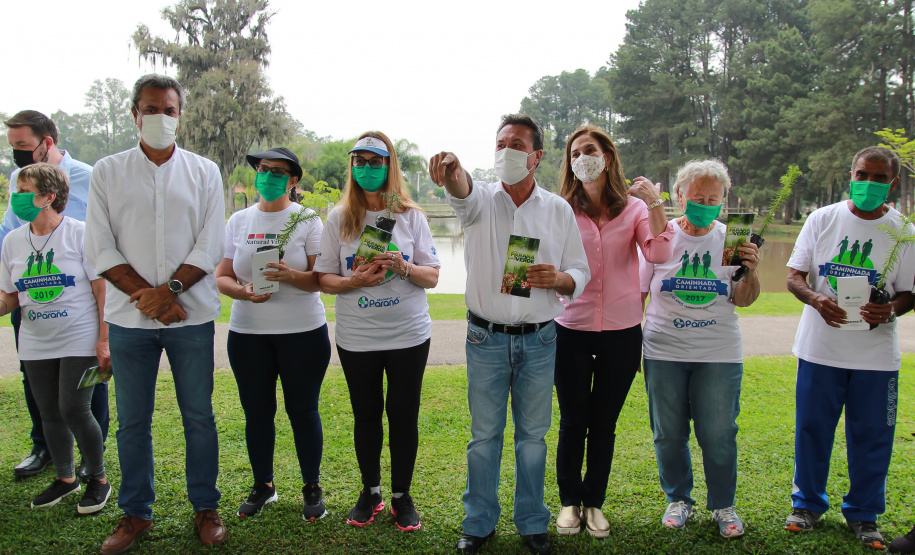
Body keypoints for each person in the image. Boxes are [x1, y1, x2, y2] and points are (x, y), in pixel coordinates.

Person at [429, 114, 590, 555]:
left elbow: (580, 269)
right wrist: (452, 170)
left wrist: (557, 278)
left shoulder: (557, 209)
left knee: (533, 438)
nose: (506, 151)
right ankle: (478, 523)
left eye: (516, 144)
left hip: (539, 339)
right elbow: (460, 189)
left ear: (536, 156)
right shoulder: (481, 201)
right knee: (484, 437)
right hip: (486, 339)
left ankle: (532, 521)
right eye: (500, 143)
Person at [85, 74, 226, 554]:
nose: (161, 118)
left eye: (169, 110)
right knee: (132, 421)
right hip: (130, 323)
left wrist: (169, 292)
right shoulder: (108, 171)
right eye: (151, 109)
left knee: (199, 416)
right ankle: (135, 513)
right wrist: (151, 298)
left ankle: (206, 507)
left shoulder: (205, 171)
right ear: (134, 114)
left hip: (191, 316)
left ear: (180, 115)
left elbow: (211, 242)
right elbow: (99, 246)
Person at [784, 146, 915, 550]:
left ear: (892, 183)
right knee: (812, 429)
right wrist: (815, 299)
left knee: (873, 434)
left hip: (875, 357)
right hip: (820, 349)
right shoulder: (822, 219)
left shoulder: (903, 230)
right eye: (862, 175)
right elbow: (794, 275)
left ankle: (864, 514)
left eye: (879, 178)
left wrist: (889, 310)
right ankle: (806, 505)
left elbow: (909, 292)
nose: (869, 184)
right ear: (850, 175)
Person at [314, 132, 440, 532]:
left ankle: (402, 495)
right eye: (360, 161)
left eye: (376, 161)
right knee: (366, 415)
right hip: (358, 337)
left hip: (408, 335)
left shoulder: (411, 216)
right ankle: (371, 492)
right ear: (352, 167)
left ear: (390, 166)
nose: (367, 168)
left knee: (403, 415)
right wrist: (353, 282)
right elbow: (323, 278)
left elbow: (433, 276)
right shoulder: (339, 218)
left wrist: (403, 266)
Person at [552, 125, 673, 538]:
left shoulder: (636, 209)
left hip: (622, 331)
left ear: (607, 155)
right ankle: (569, 502)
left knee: (604, 424)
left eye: (590, 149)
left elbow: (659, 252)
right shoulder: (561, 209)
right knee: (572, 420)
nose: (582, 157)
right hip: (571, 327)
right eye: (574, 153)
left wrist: (654, 202)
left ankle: (594, 503)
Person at [641, 159, 760, 539]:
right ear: (678, 196)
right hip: (663, 350)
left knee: (719, 432)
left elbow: (743, 299)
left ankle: (723, 505)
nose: (705, 203)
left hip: (718, 352)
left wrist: (750, 272)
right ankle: (679, 499)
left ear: (723, 201)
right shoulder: (662, 235)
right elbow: (639, 293)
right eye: (697, 197)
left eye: (713, 198)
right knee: (668, 432)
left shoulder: (732, 239)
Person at [215, 147, 331, 521]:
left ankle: (311, 486)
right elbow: (222, 277)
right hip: (248, 333)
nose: (267, 177)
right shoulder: (238, 220)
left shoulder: (308, 220)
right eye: (263, 170)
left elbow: (321, 280)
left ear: (293, 181)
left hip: (302, 333)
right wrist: (244, 291)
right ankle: (263, 486)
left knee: (303, 411)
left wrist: (289, 275)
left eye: (278, 172)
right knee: (257, 413)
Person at [2, 111, 109, 479]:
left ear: (46, 143)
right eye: (12, 146)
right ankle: (46, 450)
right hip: (31, 294)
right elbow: (8, 232)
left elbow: (105, 244)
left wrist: (104, 332)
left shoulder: (91, 177)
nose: (17, 155)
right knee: (40, 388)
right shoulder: (19, 180)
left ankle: (93, 461)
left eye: (23, 146)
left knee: (84, 394)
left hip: (79, 302)